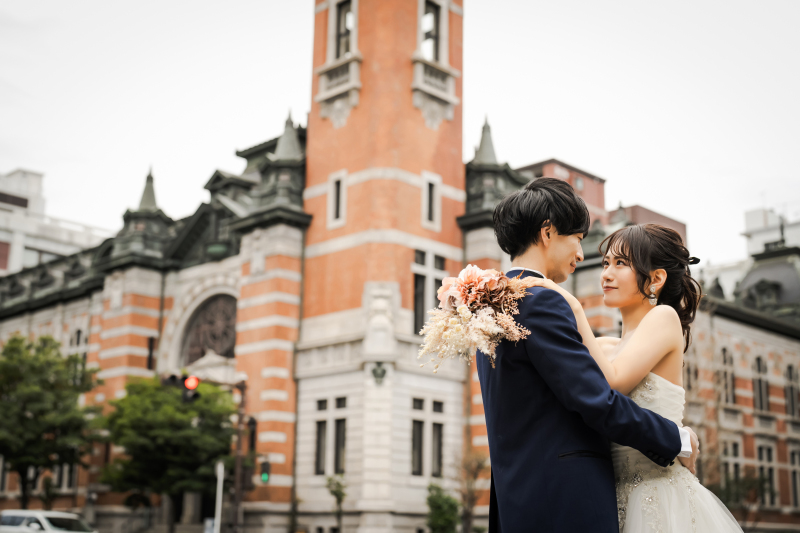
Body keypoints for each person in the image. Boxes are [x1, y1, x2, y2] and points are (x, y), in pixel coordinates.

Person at [477, 177, 699, 533]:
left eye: (618, 264)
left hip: (521, 498)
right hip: (565, 501)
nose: (582, 256)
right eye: (578, 240)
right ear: (548, 233)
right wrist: (678, 438)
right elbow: (597, 399)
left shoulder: (490, 305)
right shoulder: (542, 300)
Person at [528, 223, 742, 532]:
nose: (606, 274)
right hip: (610, 498)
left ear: (656, 279)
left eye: (621, 264)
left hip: (662, 497)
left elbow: (614, 383)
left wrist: (574, 308)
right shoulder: (604, 347)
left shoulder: (664, 318)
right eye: (605, 263)